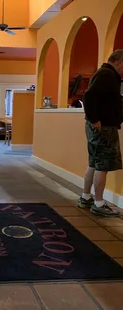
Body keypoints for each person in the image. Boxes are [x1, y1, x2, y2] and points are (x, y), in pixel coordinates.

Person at [77, 49, 123, 216]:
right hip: (103, 128)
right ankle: (99, 203)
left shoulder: (105, 74)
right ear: (119, 62)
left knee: (94, 163)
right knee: (102, 165)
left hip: (99, 126)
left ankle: (86, 197)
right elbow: (89, 97)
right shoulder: (106, 75)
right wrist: (95, 119)